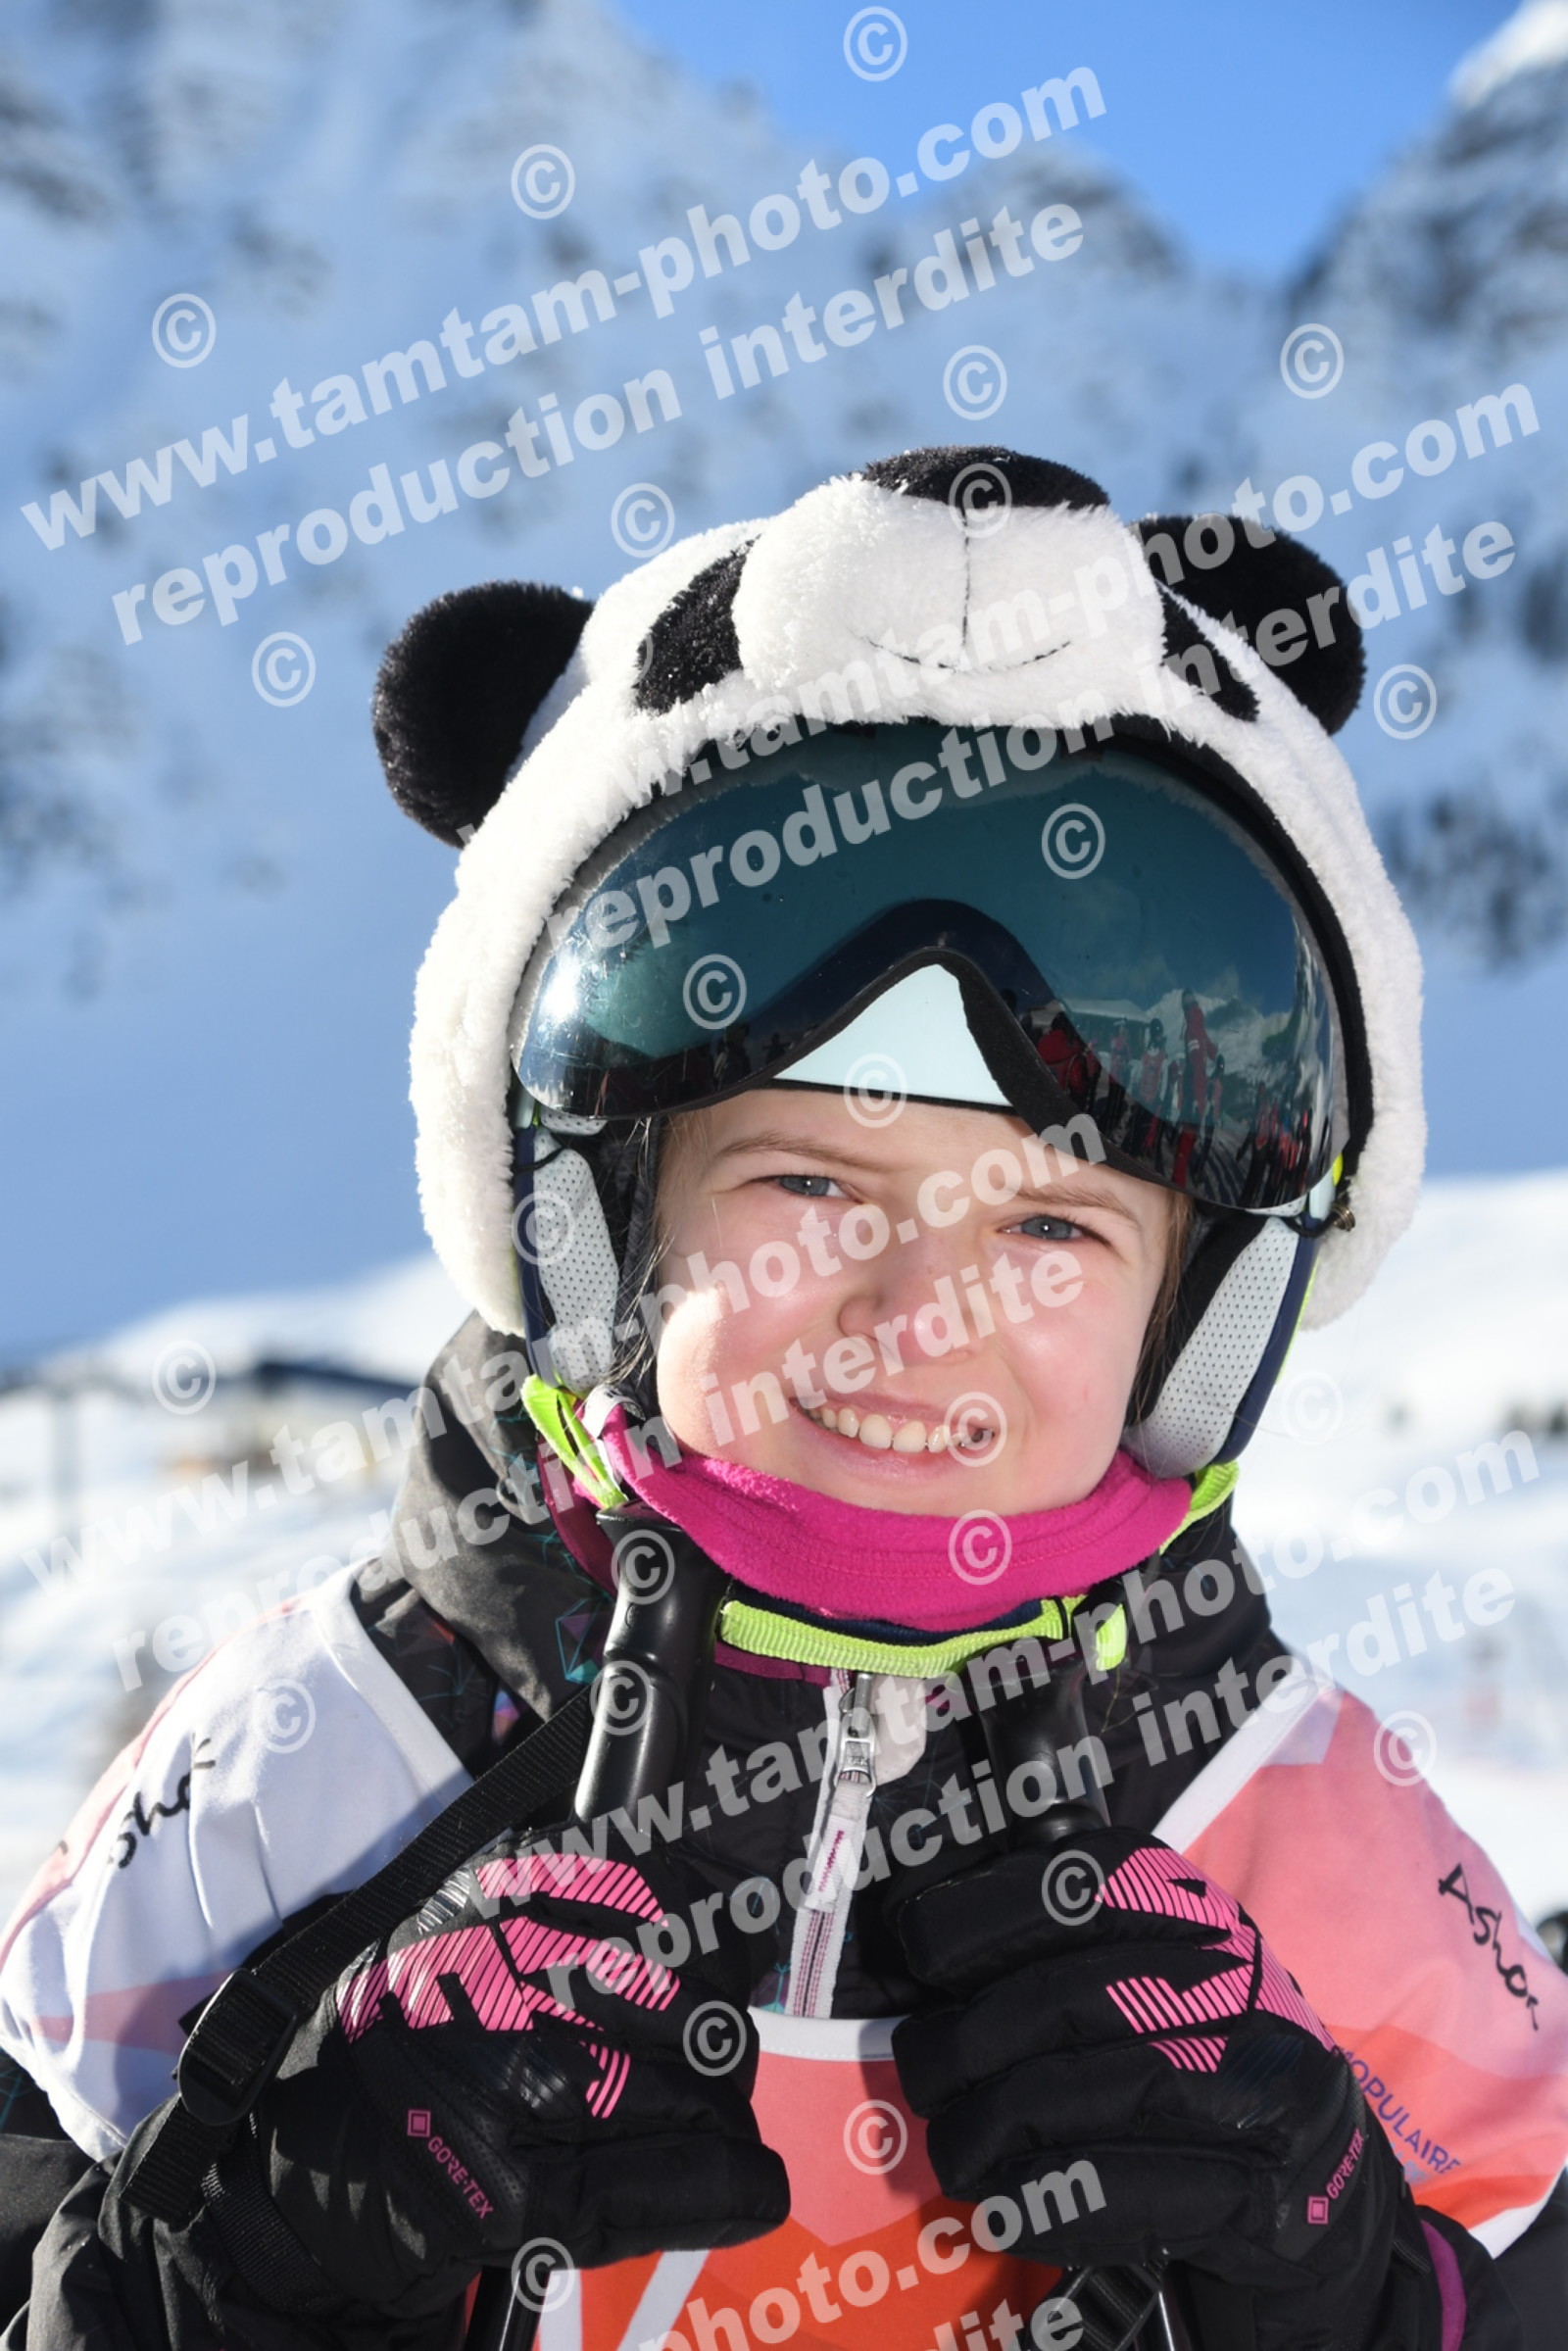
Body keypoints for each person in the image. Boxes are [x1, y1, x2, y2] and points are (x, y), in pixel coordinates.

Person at [2, 447, 1566, 2351]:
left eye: (1054, 1226)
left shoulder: (1285, 1821)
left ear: (1196, 1310)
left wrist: (1343, 2284)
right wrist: (238, 2271)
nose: (920, 1309)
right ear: (604, 1219)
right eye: (811, 1183)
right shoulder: (333, 1761)